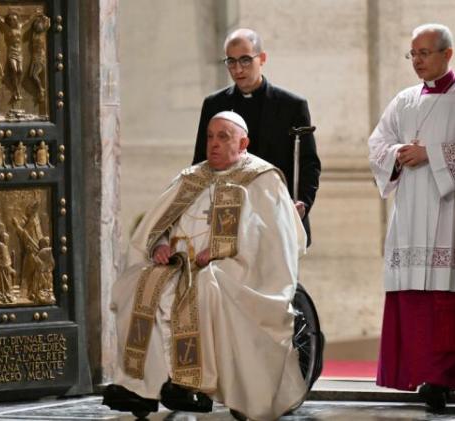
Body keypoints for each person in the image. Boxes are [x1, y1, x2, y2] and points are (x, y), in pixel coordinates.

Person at [104, 111, 308, 421]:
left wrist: (220, 251)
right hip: (177, 265)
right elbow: (160, 223)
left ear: (243, 143)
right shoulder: (191, 177)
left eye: (223, 137)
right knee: (140, 285)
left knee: (204, 288)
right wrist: (159, 244)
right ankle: (138, 387)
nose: (213, 144)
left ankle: (191, 384)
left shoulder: (261, 179)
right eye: (210, 137)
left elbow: (271, 239)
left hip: (234, 268)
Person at [368, 23, 455, 411]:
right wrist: (396, 154)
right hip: (412, 213)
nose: (418, 61)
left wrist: (432, 155)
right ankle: (419, 374)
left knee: (450, 303)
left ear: (448, 54)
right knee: (417, 303)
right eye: (413, 54)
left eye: (425, 53)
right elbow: (378, 142)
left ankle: (447, 379)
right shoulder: (404, 100)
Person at [192, 28, 321, 245]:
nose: (238, 69)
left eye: (245, 60)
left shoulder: (292, 106)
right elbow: (201, 160)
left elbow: (309, 164)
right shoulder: (214, 105)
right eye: (231, 62)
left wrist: (303, 204)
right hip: (228, 216)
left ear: (262, 58)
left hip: (277, 215)